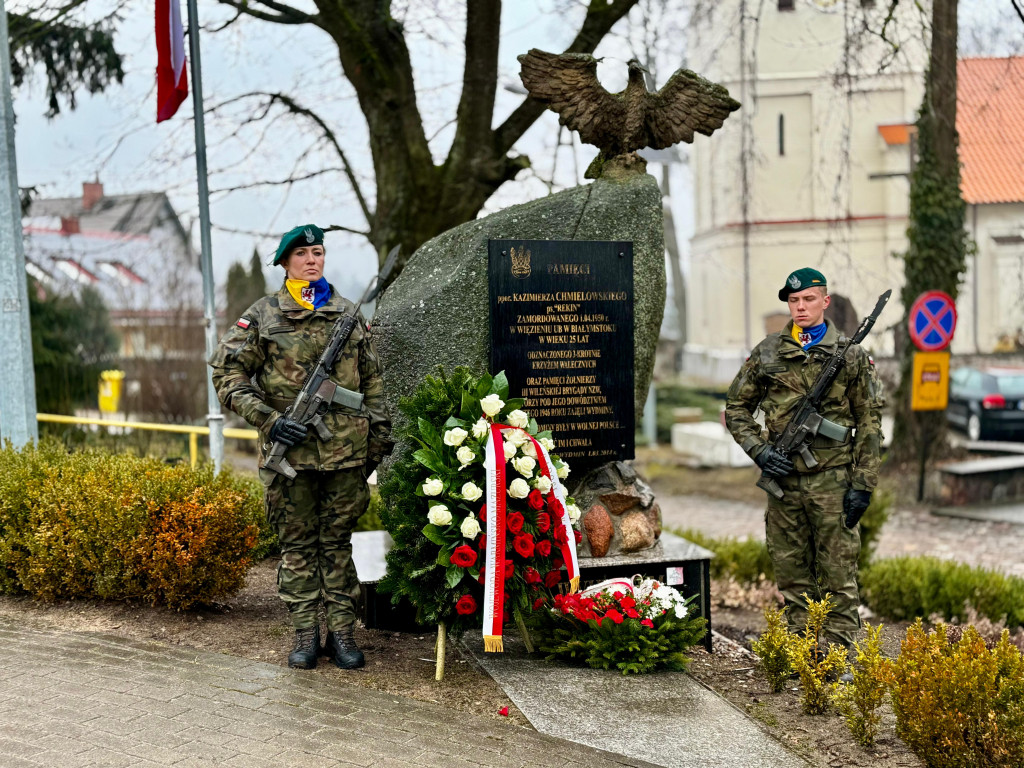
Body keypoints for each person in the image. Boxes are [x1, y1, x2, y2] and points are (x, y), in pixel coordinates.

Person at [209, 224, 392, 670]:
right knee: (296, 546)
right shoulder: (263, 316)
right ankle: (306, 633)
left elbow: (371, 382)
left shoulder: (347, 313)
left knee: (336, 544)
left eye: (318, 252)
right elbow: (227, 377)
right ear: (285, 261)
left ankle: (343, 633)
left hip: (345, 455)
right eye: (303, 254)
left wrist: (379, 437)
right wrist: (271, 421)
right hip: (289, 456)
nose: (312, 260)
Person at [725, 267, 884, 660]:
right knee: (792, 574)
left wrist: (863, 484)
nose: (800, 307)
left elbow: (869, 421)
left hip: (832, 482)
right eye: (794, 301)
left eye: (809, 299)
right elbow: (736, 408)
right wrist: (760, 451)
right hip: (785, 483)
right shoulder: (767, 352)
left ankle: (839, 658)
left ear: (825, 302)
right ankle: (802, 656)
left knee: (838, 576)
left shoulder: (850, 355)